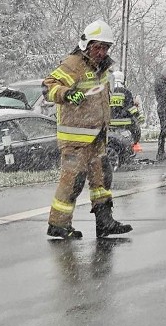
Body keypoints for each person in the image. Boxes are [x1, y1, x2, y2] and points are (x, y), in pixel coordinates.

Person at [42, 20, 133, 239]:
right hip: (75, 139)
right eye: (97, 47)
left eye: (105, 48)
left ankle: (104, 222)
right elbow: (48, 86)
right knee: (73, 181)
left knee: (102, 179)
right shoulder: (74, 64)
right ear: (85, 45)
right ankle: (58, 224)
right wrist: (67, 94)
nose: (101, 52)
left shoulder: (100, 69)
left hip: (96, 136)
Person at [110, 70, 144, 145]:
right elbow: (131, 108)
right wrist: (138, 115)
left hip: (110, 122)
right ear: (122, 79)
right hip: (124, 123)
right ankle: (130, 146)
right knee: (134, 132)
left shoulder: (108, 91)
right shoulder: (126, 92)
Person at [154, 65, 166, 161]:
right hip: (164, 109)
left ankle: (161, 152)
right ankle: (160, 153)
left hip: (164, 108)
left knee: (164, 130)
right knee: (164, 130)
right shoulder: (161, 83)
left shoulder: (161, 82)